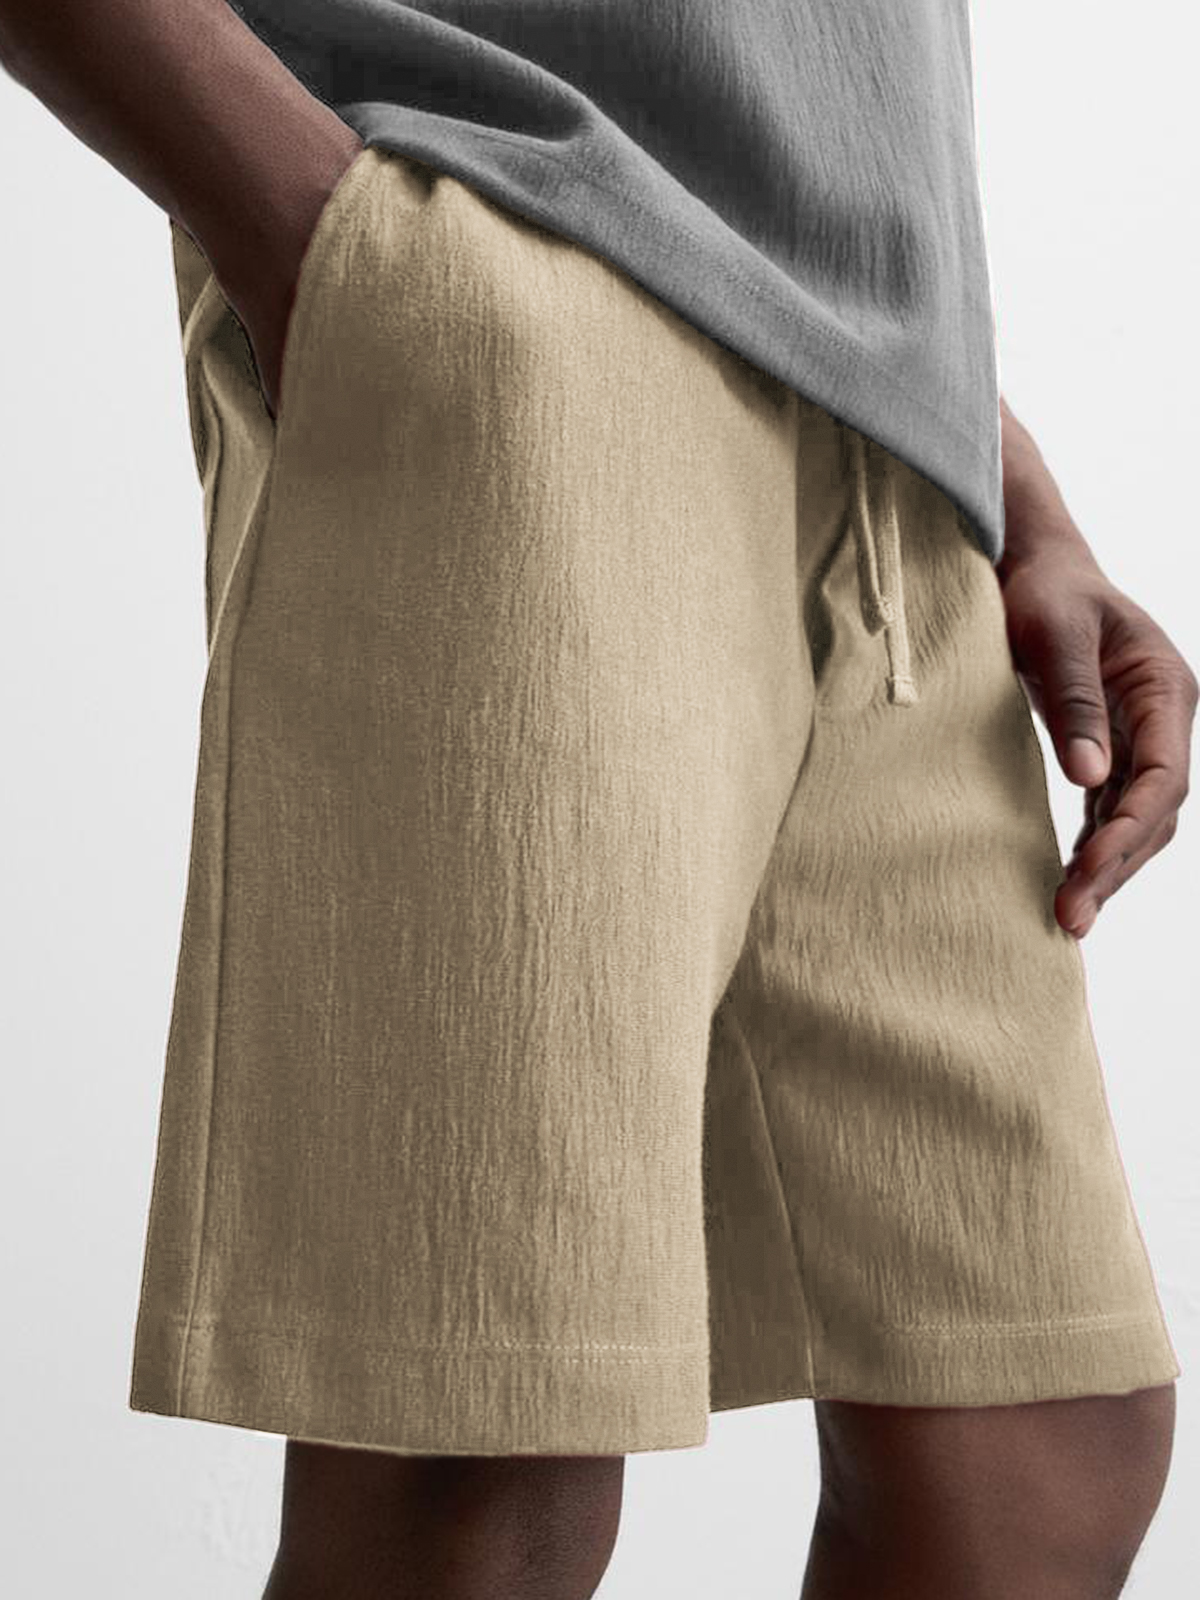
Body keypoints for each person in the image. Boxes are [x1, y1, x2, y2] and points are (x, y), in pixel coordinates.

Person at [3, 2, 1194, 1596]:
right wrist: (319, 241)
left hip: (892, 443)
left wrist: (1002, 474)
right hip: (504, 262)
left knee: (1040, 1444)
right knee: (482, 1463)